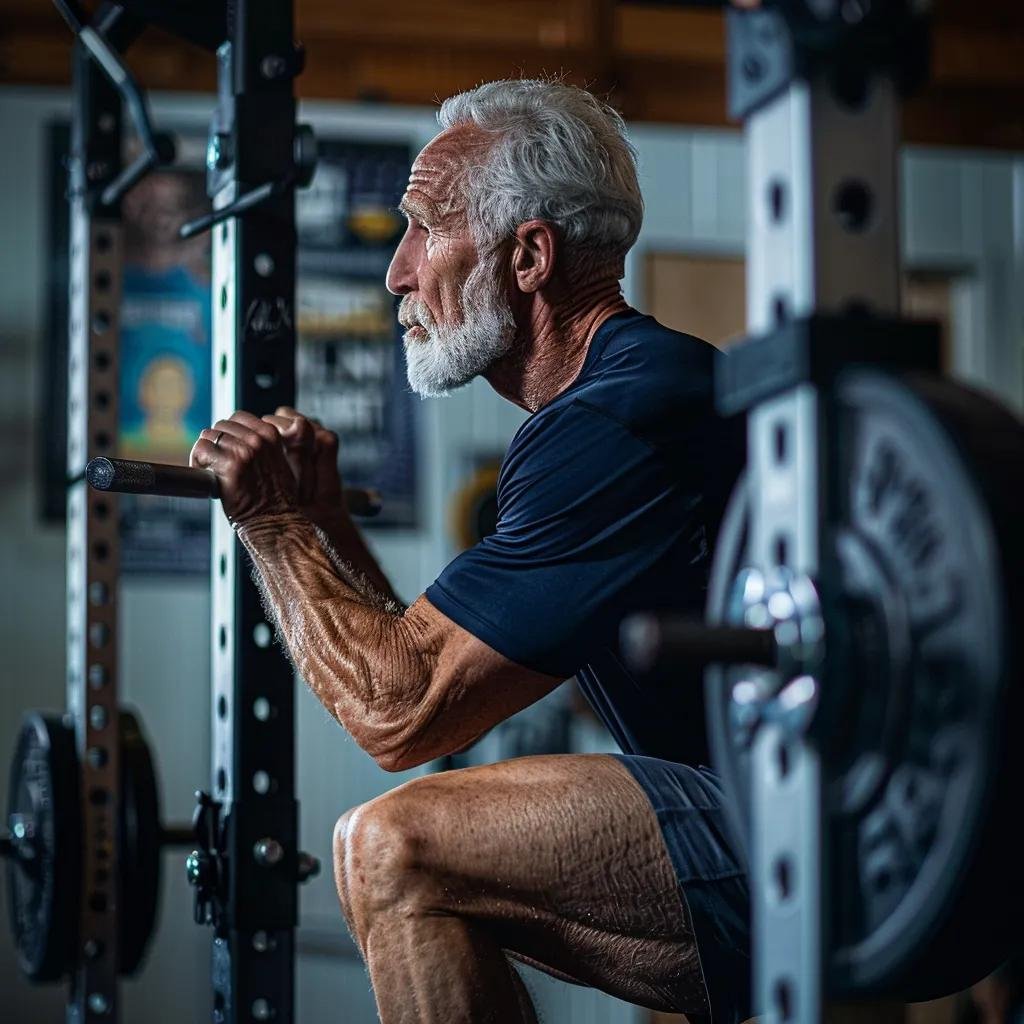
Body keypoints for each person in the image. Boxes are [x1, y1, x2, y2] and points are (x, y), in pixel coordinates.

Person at [191, 79, 749, 1024]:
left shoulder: (615, 419)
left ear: (529, 256)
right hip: (767, 812)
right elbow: (423, 662)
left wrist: (273, 527)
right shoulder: (625, 395)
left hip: (811, 834)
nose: (397, 274)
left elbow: (402, 710)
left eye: (423, 228)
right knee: (421, 875)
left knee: (394, 852)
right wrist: (324, 522)